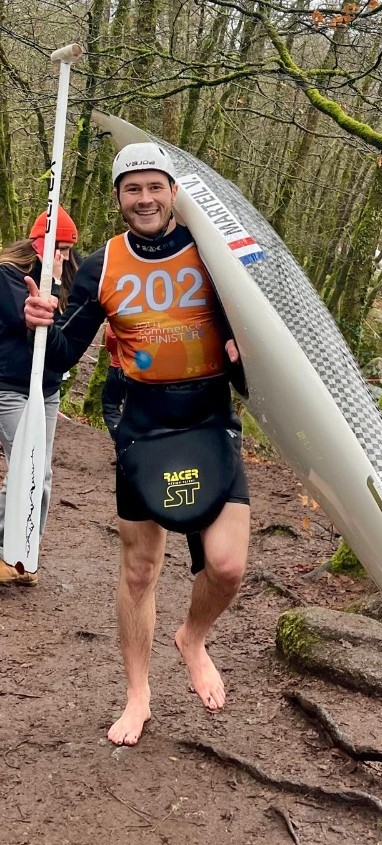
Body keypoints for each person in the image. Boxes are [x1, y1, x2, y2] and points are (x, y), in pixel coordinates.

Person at [24, 143, 251, 747]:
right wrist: (39, 321)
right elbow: (62, 355)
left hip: (210, 419)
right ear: (119, 197)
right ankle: (138, 695)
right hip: (141, 423)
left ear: (173, 192)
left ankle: (193, 638)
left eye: (155, 186)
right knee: (140, 567)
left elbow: (250, 343)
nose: (145, 198)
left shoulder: (212, 255)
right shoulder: (105, 264)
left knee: (227, 566)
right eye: (133, 188)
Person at [0, 206, 80, 587]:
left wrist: (60, 288)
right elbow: (26, 314)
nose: (60, 256)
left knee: (41, 475)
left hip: (47, 391)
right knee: (27, 469)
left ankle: (24, 552)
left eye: (65, 249)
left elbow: (67, 335)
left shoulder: (70, 280)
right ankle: (6, 548)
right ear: (35, 245)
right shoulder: (9, 276)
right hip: (11, 389)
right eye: (54, 247)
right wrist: (40, 301)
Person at [101, 322, 126, 442]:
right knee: (135, 407)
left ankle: (120, 438)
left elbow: (110, 339)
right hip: (140, 370)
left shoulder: (117, 316)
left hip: (117, 367)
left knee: (110, 405)